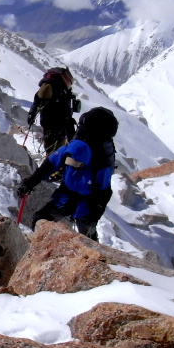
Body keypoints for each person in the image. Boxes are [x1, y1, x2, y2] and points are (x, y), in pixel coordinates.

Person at [16, 106, 118, 240]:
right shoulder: (99, 158)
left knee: (41, 220)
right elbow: (104, 192)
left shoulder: (77, 148)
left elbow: (50, 164)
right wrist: (30, 182)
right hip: (76, 198)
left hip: (83, 201)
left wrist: (30, 182)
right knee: (87, 238)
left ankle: (41, 250)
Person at [27, 67, 79, 154]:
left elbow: (37, 102)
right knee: (56, 153)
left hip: (51, 127)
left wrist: (31, 114)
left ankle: (49, 164)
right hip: (57, 129)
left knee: (52, 151)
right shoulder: (59, 91)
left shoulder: (51, 88)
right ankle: (52, 165)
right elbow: (66, 116)